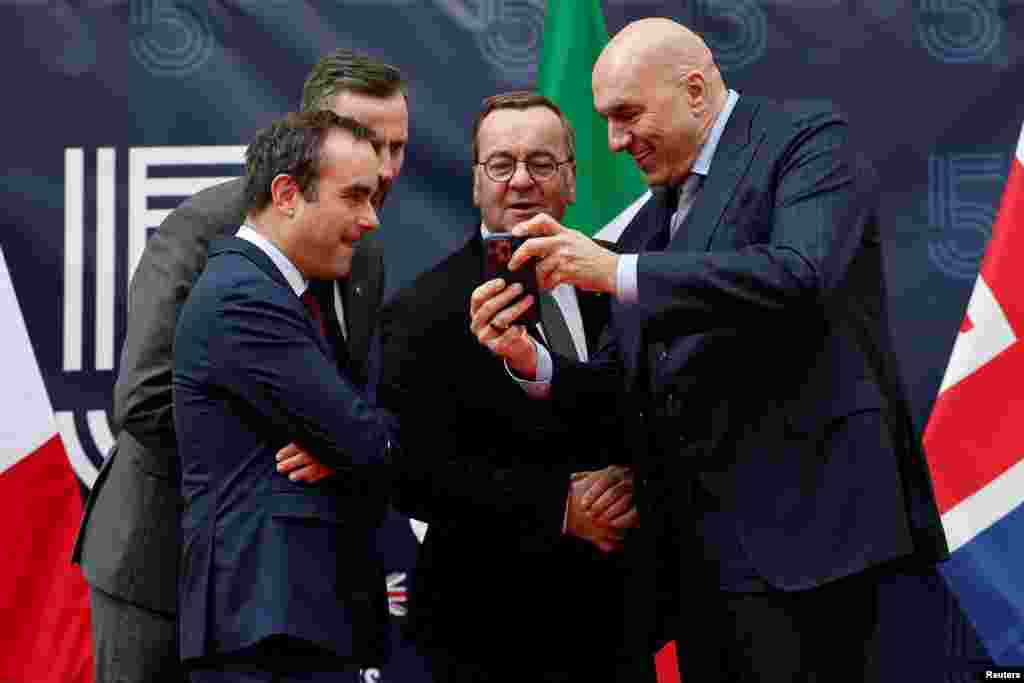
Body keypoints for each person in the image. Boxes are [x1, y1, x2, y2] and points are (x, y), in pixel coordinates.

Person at [472, 19, 948, 682]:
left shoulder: (806, 142)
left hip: (817, 549)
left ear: (695, 91)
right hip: (701, 567)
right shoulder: (650, 222)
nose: (614, 141)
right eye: (607, 120)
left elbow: (800, 273)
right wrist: (532, 360)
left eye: (627, 115)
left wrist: (616, 273)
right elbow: (624, 380)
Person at [71, 50, 408, 683]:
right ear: (311, 136)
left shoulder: (365, 249)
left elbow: (355, 388)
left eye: (396, 148)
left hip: (276, 581)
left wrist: (334, 439)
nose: (385, 169)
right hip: (159, 559)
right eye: (365, 141)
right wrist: (304, 438)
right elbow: (144, 399)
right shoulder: (206, 227)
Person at [375, 92, 653, 682]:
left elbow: (666, 410)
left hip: (619, 623)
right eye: (501, 164)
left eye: (543, 163)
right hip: (482, 633)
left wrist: (632, 480)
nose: (522, 180)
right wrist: (559, 508)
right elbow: (411, 472)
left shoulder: (628, 279)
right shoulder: (420, 311)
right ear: (477, 183)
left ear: (573, 180)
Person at [173, 110, 399, 681]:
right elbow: (365, 437)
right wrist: (351, 444)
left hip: (290, 619)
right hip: (266, 624)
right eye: (354, 197)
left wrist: (345, 445)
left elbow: (351, 435)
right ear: (287, 194)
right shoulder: (244, 297)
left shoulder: (281, 292)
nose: (371, 219)